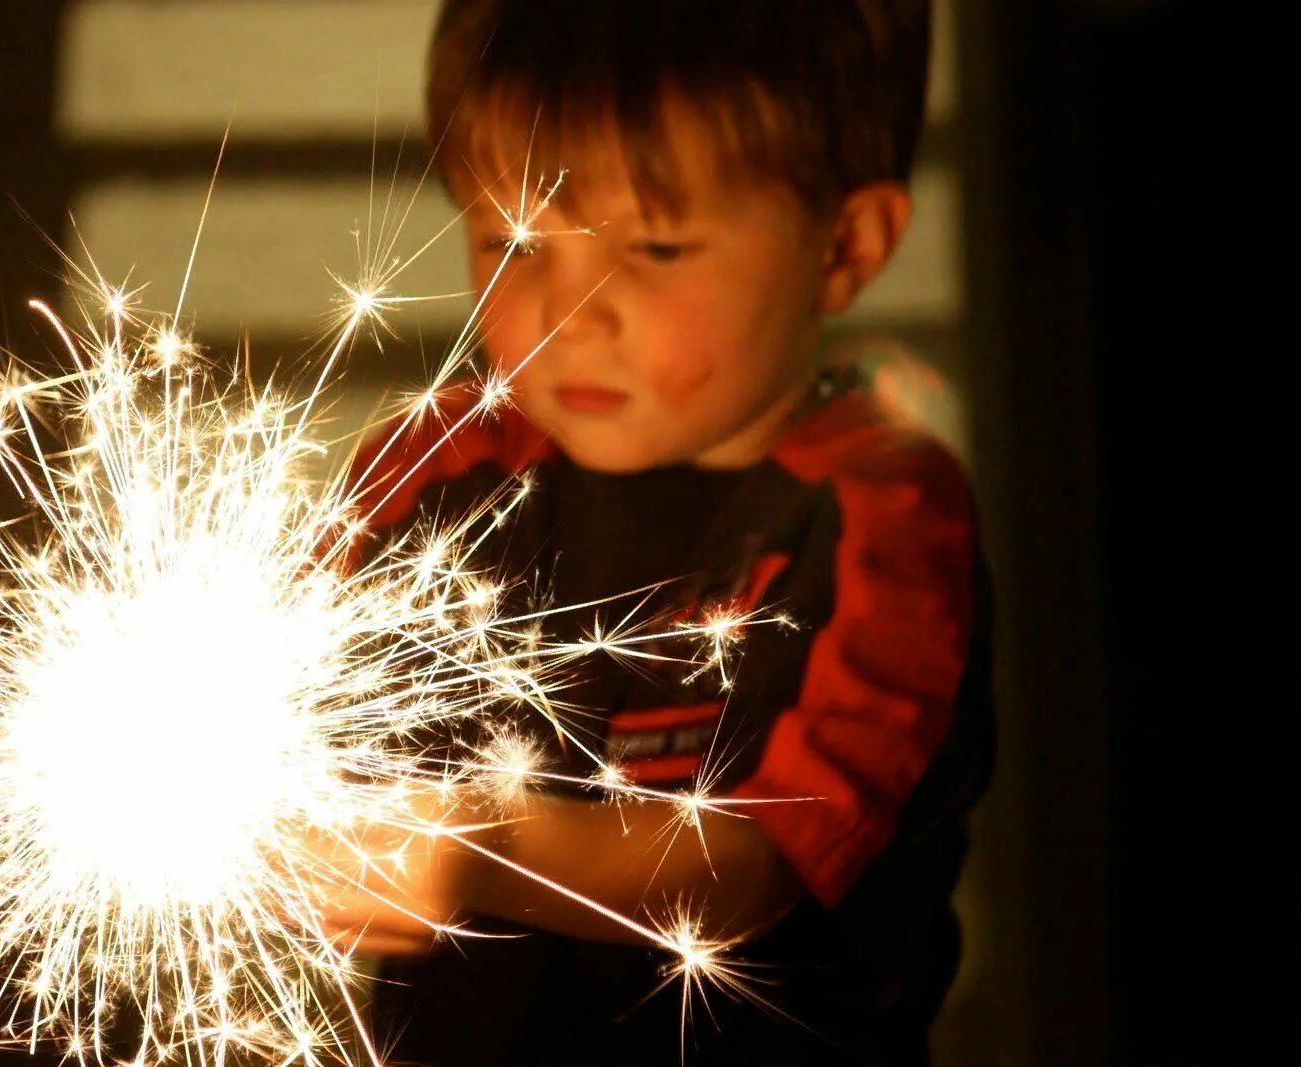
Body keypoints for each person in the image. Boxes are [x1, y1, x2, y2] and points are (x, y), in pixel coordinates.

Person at [321, 2, 993, 1064]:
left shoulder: (875, 518)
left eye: (656, 245)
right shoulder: (438, 469)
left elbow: (749, 865)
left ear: (846, 244)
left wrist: (482, 846)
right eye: (515, 238)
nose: (568, 309)